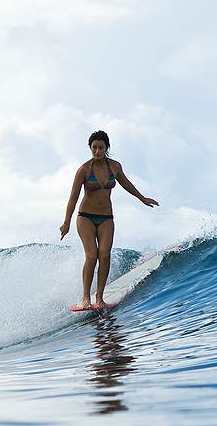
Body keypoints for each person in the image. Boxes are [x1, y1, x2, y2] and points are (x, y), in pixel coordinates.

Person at [59, 130, 159, 309]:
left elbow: (126, 184)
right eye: (94, 148)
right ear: (90, 148)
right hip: (85, 217)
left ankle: (100, 298)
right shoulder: (84, 170)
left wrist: (142, 198)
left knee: (104, 255)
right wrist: (66, 223)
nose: (97, 151)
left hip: (106, 218)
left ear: (106, 148)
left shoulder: (115, 167)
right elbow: (73, 198)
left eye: (101, 147)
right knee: (92, 255)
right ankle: (85, 298)